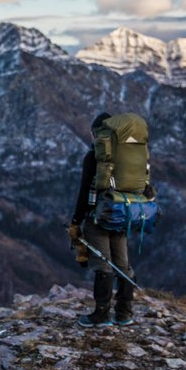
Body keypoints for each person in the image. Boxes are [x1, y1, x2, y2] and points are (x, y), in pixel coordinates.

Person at [68, 112, 136, 327]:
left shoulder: (93, 157)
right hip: (122, 216)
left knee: (103, 266)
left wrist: (76, 220)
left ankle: (101, 314)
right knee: (123, 266)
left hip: (97, 218)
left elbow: (83, 191)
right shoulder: (126, 157)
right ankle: (124, 313)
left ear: (96, 133)